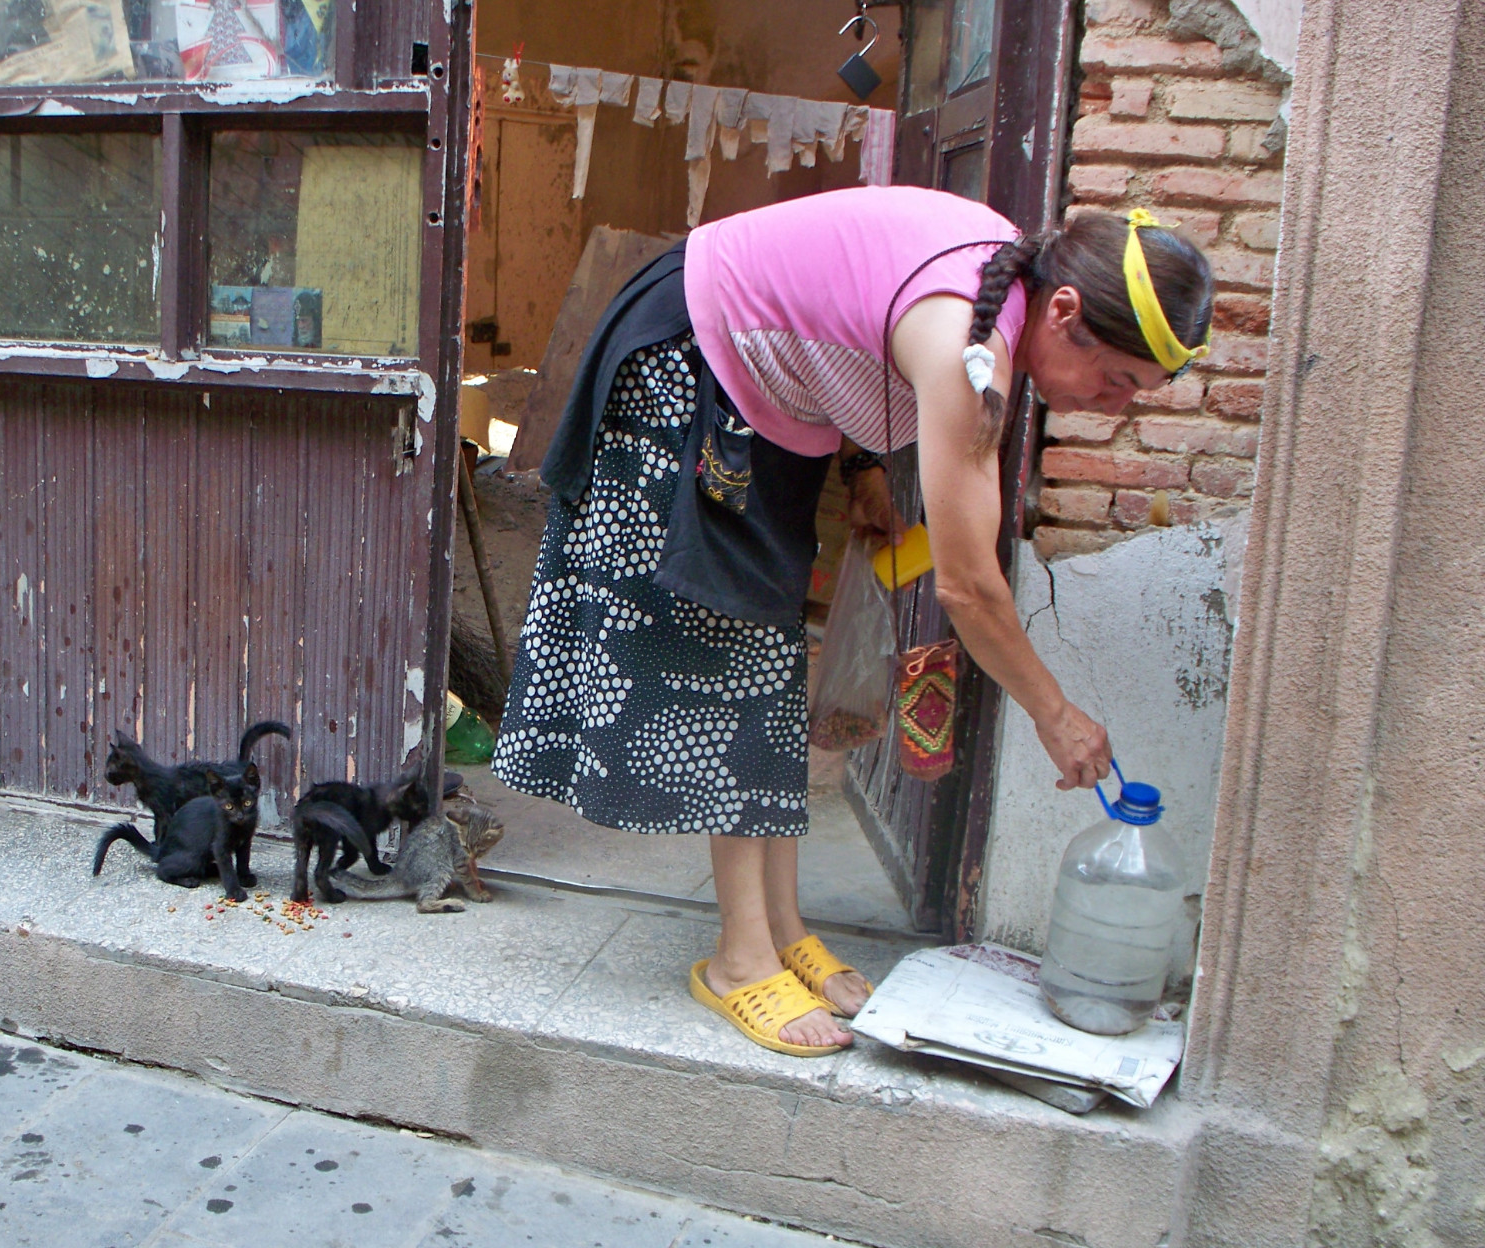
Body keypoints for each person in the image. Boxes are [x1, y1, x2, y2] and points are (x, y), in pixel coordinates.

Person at [491, 188, 1215, 1056]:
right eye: (1118, 381)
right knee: (731, 661)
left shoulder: (997, 303)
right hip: (688, 359)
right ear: (1065, 313)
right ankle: (738, 957)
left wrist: (866, 465)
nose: (1113, 404)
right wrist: (1055, 715)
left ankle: (783, 928)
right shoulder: (967, 341)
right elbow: (970, 589)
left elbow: (848, 314)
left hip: (765, 397)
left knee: (767, 659)